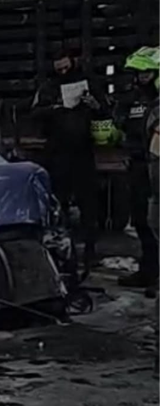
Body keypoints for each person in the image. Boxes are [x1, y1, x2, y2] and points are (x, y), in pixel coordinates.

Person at [33, 49, 109, 274]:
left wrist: (93, 105)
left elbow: (105, 110)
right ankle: (62, 250)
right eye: (60, 69)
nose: (64, 72)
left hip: (83, 151)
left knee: (88, 203)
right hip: (57, 151)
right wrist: (55, 108)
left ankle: (90, 251)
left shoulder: (88, 83)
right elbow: (35, 113)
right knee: (59, 203)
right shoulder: (47, 87)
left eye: (67, 67)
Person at [113, 47, 159, 296]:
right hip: (139, 165)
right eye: (139, 74)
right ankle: (149, 270)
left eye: (147, 74)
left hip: (157, 166)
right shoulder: (132, 100)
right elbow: (121, 125)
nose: (142, 78)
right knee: (142, 220)